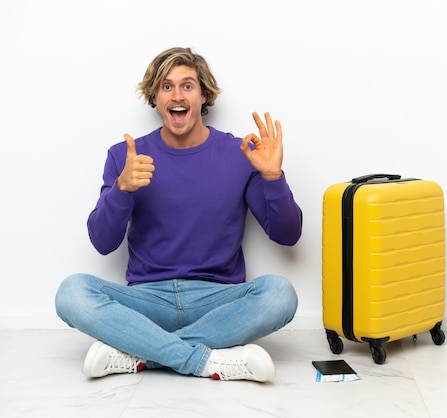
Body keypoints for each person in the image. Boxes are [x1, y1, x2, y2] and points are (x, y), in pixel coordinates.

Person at [55, 47, 303, 383]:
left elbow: (288, 235)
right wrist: (122, 190)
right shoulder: (125, 157)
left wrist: (274, 178)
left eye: (188, 85)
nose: (177, 95)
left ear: (203, 96)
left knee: (281, 295)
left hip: (217, 300)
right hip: (147, 300)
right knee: (71, 293)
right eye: (166, 86)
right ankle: (205, 360)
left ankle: (140, 353)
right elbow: (102, 242)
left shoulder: (240, 154)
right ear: (155, 98)